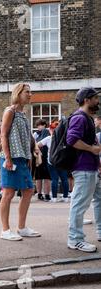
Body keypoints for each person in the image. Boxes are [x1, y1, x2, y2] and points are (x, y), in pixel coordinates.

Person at [0, 83, 40, 241]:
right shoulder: (10, 111)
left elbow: (27, 137)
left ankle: (22, 228)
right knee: (8, 193)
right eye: (27, 92)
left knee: (29, 191)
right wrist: (8, 158)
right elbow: (3, 135)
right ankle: (5, 230)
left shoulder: (22, 114)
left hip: (22, 158)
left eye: (31, 92)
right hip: (11, 158)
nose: (30, 95)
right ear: (18, 93)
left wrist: (29, 156)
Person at [66, 87, 101, 253]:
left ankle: (84, 235)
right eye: (95, 98)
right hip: (83, 168)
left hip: (90, 167)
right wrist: (92, 149)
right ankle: (75, 239)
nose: (97, 101)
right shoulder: (80, 118)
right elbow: (71, 140)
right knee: (79, 205)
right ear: (87, 100)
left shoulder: (86, 117)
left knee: (92, 201)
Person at [37, 121, 69, 203]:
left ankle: (54, 198)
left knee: (54, 179)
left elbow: (37, 145)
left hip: (52, 161)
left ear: (51, 130)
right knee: (64, 179)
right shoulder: (65, 138)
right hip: (63, 161)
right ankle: (66, 197)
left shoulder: (49, 138)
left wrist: (39, 153)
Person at [33, 119, 51, 201]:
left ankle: (44, 194)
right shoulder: (36, 134)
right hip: (42, 158)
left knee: (44, 177)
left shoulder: (45, 134)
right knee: (41, 177)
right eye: (38, 125)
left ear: (44, 125)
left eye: (41, 125)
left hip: (42, 158)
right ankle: (42, 194)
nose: (39, 127)